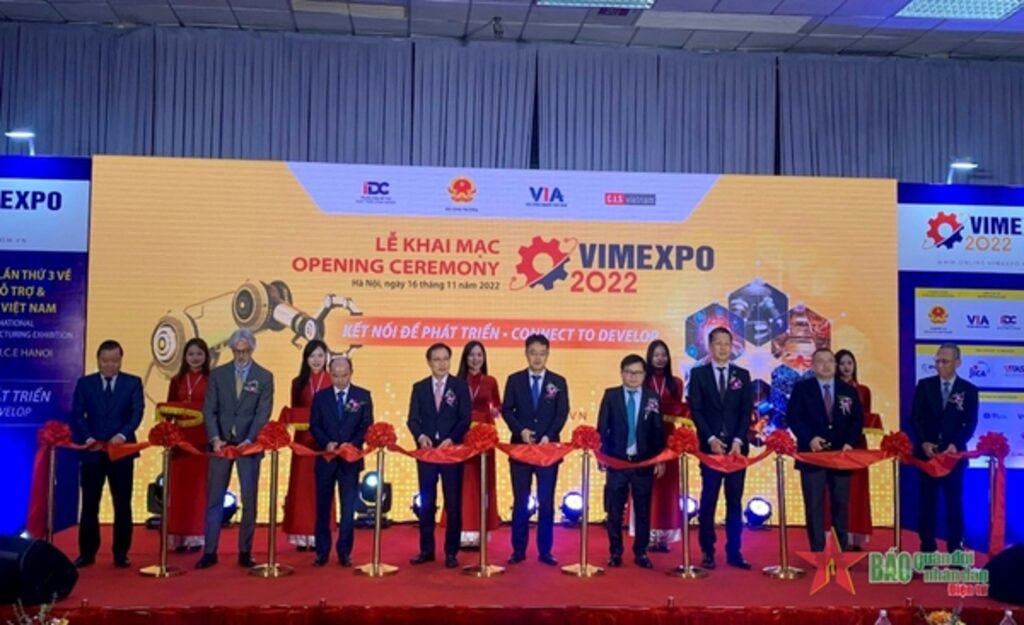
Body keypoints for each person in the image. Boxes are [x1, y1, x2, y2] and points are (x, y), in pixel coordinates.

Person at [196, 328, 274, 569]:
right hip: (221, 445)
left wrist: (250, 439)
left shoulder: (264, 376)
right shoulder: (218, 375)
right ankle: (210, 552)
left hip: (248, 447)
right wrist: (215, 438)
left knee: (249, 499)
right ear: (231, 350)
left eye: (245, 351)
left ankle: (245, 551)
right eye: (237, 351)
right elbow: (209, 409)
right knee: (214, 499)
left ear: (252, 349)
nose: (241, 356)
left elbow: (263, 413)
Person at [70, 340, 144, 568]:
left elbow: (136, 413)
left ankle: (121, 553)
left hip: (121, 452)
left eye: (115, 361)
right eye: (105, 361)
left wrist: (122, 435)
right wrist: (88, 438)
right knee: (90, 504)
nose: (110, 365)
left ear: (121, 360)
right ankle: (87, 552)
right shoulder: (85, 383)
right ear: (98, 360)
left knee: (122, 503)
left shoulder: (133, 383)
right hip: (93, 452)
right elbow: (77, 414)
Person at [688, 327, 753, 569]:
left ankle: (734, 552)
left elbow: (746, 411)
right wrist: (711, 438)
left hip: (736, 450)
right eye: (718, 343)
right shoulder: (699, 374)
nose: (723, 348)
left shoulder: (742, 375)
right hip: (710, 450)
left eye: (727, 343)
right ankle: (708, 551)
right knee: (709, 500)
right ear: (710, 346)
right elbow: (697, 410)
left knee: (734, 502)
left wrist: (738, 440)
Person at [502, 334, 570, 566]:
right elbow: (507, 410)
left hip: (547, 452)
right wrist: (521, 431)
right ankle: (518, 550)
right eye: (533, 353)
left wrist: (548, 436)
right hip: (521, 450)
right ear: (526, 353)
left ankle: (545, 551)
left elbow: (561, 413)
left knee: (546, 501)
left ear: (548, 354)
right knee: (520, 501)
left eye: (542, 353)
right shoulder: (514, 380)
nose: (537, 358)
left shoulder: (558, 381)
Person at [786, 348, 863, 552]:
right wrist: (809, 438)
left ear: (835, 365)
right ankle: (818, 549)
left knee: (840, 504)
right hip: (812, 456)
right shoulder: (803, 388)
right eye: (820, 361)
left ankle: (840, 549)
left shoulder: (848, 390)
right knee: (814, 504)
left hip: (841, 456)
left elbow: (857, 421)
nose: (826, 365)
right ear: (813, 366)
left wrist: (849, 443)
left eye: (830, 361)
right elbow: (793, 417)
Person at [407, 342, 472, 569]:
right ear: (429, 362)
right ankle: (426, 550)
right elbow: (412, 419)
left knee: (453, 504)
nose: (442, 364)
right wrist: (420, 436)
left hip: (451, 453)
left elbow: (465, 419)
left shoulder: (460, 386)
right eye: (437, 359)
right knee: (426, 503)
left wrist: (452, 439)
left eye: (445, 359)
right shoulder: (419, 388)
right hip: (427, 453)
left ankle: (451, 552)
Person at [598, 354, 665, 569]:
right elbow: (602, 428)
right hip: (617, 462)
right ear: (621, 373)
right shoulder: (611, 395)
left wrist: (659, 459)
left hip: (643, 463)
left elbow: (657, 430)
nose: (633, 376)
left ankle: (641, 552)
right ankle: (615, 552)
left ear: (644, 375)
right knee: (614, 511)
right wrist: (602, 456)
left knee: (643, 510)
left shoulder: (652, 398)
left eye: (637, 373)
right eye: (628, 372)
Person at [911, 343, 979, 553]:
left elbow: (970, 423)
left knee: (954, 504)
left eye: (945, 361)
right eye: (937, 361)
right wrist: (924, 442)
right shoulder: (924, 385)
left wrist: (955, 444)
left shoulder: (969, 390)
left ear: (957, 363)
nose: (939, 365)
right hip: (927, 456)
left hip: (953, 458)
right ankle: (927, 551)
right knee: (927, 504)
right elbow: (915, 418)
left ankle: (955, 551)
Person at [309, 356, 372, 567]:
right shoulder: (320, 397)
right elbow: (314, 425)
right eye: (335, 375)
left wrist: (351, 444)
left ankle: (344, 552)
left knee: (347, 509)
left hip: (349, 461)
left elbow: (366, 426)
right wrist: (326, 442)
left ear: (351, 373)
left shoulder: (362, 396)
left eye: (344, 375)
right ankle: (322, 552)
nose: (340, 380)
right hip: (326, 460)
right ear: (330, 374)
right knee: (323, 508)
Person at [442, 341, 501, 549]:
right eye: (471, 355)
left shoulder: (491, 381)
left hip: (484, 437)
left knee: (483, 482)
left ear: (484, 358)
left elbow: (498, 406)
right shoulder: (457, 382)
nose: (475, 359)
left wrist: (495, 413)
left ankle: (482, 529)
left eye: (479, 355)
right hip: (462, 434)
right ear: (465, 358)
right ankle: (463, 530)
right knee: (463, 482)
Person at [282, 340, 331, 551]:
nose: (316, 360)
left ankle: (320, 534)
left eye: (320, 355)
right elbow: (295, 411)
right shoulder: (298, 382)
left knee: (322, 487)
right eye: (312, 356)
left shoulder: (332, 379)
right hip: (303, 442)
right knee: (301, 486)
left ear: (326, 357)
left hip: (326, 442)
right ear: (306, 358)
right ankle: (301, 535)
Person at [164, 337, 211, 553]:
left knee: (199, 491)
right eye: (191, 354)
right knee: (179, 491)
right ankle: (179, 537)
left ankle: (197, 537)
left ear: (206, 356)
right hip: (180, 442)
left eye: (199, 354)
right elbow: (168, 410)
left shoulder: (212, 380)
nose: (195, 358)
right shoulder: (177, 380)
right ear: (184, 357)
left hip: (202, 442)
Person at [642, 340, 686, 553]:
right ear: (649, 357)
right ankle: (647, 535)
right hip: (645, 436)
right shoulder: (642, 380)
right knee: (647, 487)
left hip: (669, 438)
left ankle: (664, 537)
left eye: (663, 355)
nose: (660, 358)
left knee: (667, 488)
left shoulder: (676, 383)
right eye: (656, 355)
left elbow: (679, 410)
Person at [835, 349, 881, 550]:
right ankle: (836, 536)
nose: (846, 367)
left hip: (858, 445)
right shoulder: (831, 389)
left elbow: (865, 418)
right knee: (837, 492)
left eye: (849, 363)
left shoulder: (863, 390)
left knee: (857, 491)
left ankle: (855, 538)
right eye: (842, 363)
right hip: (836, 445)